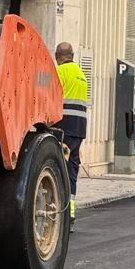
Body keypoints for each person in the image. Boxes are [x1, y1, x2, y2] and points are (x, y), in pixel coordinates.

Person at [55, 43, 88, 223]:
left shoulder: (61, 72)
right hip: (79, 127)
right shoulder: (80, 73)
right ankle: (70, 213)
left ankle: (62, 213)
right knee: (72, 168)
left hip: (64, 126)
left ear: (57, 56)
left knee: (59, 166)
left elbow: (51, 96)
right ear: (72, 55)